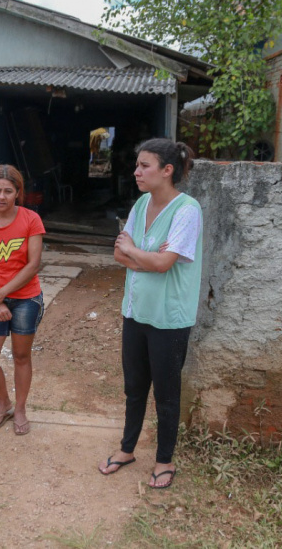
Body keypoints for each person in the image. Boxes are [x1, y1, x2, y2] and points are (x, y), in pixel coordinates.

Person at [98, 138, 202, 489]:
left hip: (169, 318)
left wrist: (137, 253)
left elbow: (163, 263)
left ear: (167, 170)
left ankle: (164, 461)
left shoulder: (187, 210)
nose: (136, 171)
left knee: (167, 395)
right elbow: (121, 254)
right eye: (137, 165)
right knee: (134, 387)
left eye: (144, 166)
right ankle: (127, 449)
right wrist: (145, 256)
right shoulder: (142, 203)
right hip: (135, 311)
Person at [0, 164, 46, 436]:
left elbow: (33, 264)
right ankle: (3, 402)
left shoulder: (30, 220)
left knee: (21, 356)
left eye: (7, 191)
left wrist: (2, 295)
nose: (1, 196)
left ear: (18, 193)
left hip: (26, 299)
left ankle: (22, 408)